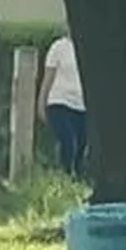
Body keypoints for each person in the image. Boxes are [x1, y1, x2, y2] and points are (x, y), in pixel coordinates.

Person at [40, 28, 88, 177]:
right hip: (59, 102)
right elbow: (48, 78)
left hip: (81, 105)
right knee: (69, 142)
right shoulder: (59, 47)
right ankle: (65, 174)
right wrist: (42, 103)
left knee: (82, 145)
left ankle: (78, 178)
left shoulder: (88, 48)